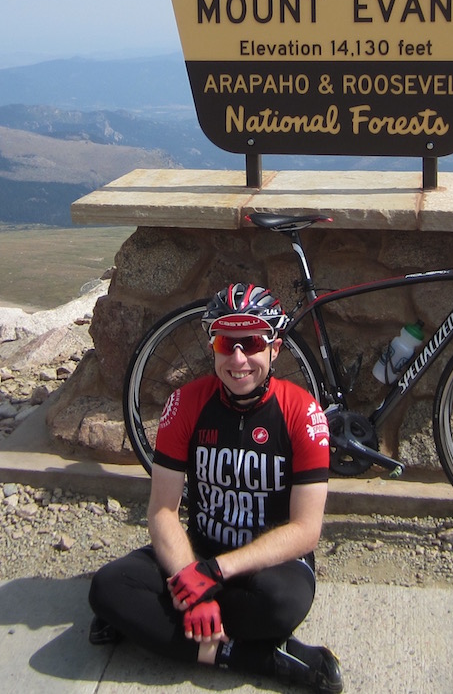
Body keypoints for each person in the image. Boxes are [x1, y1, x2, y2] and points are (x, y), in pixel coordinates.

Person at [87, 283, 342, 693]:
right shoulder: (184, 404)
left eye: (252, 342)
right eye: (227, 342)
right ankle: (257, 658)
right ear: (214, 347)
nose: (238, 358)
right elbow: (163, 512)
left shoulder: (303, 413)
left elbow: (306, 530)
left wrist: (212, 575)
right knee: (109, 587)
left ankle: (152, 626)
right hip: (201, 548)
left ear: (274, 349)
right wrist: (194, 585)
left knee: (281, 604)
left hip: (266, 565)